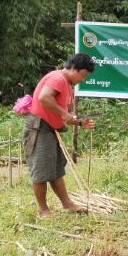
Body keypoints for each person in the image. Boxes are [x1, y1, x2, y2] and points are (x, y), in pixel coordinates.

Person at [22, 53, 96, 219]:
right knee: (41, 169)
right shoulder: (58, 78)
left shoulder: (67, 85)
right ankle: (43, 210)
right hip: (39, 127)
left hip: (51, 129)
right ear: (74, 68)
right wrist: (65, 114)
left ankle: (67, 204)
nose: (82, 79)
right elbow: (44, 98)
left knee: (56, 169)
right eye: (83, 75)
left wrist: (80, 122)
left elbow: (65, 115)